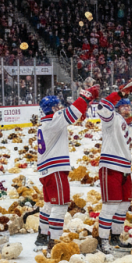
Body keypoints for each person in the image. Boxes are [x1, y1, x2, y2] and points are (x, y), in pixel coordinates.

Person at [35, 85, 100, 252]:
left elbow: (72, 116)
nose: (60, 108)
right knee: (60, 205)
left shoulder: (46, 124)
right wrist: (85, 97)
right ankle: (54, 242)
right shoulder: (54, 120)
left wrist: (84, 104)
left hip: (46, 170)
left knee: (49, 204)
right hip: (54, 169)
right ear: (52, 109)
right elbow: (71, 113)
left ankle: (42, 235)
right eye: (57, 106)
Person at [96, 80, 132, 254]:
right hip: (110, 167)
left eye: (128, 106)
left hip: (125, 169)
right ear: (117, 109)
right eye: (123, 107)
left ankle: (115, 237)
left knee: (123, 205)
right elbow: (102, 106)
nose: (126, 109)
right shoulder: (112, 119)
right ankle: (103, 240)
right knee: (110, 206)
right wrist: (120, 93)